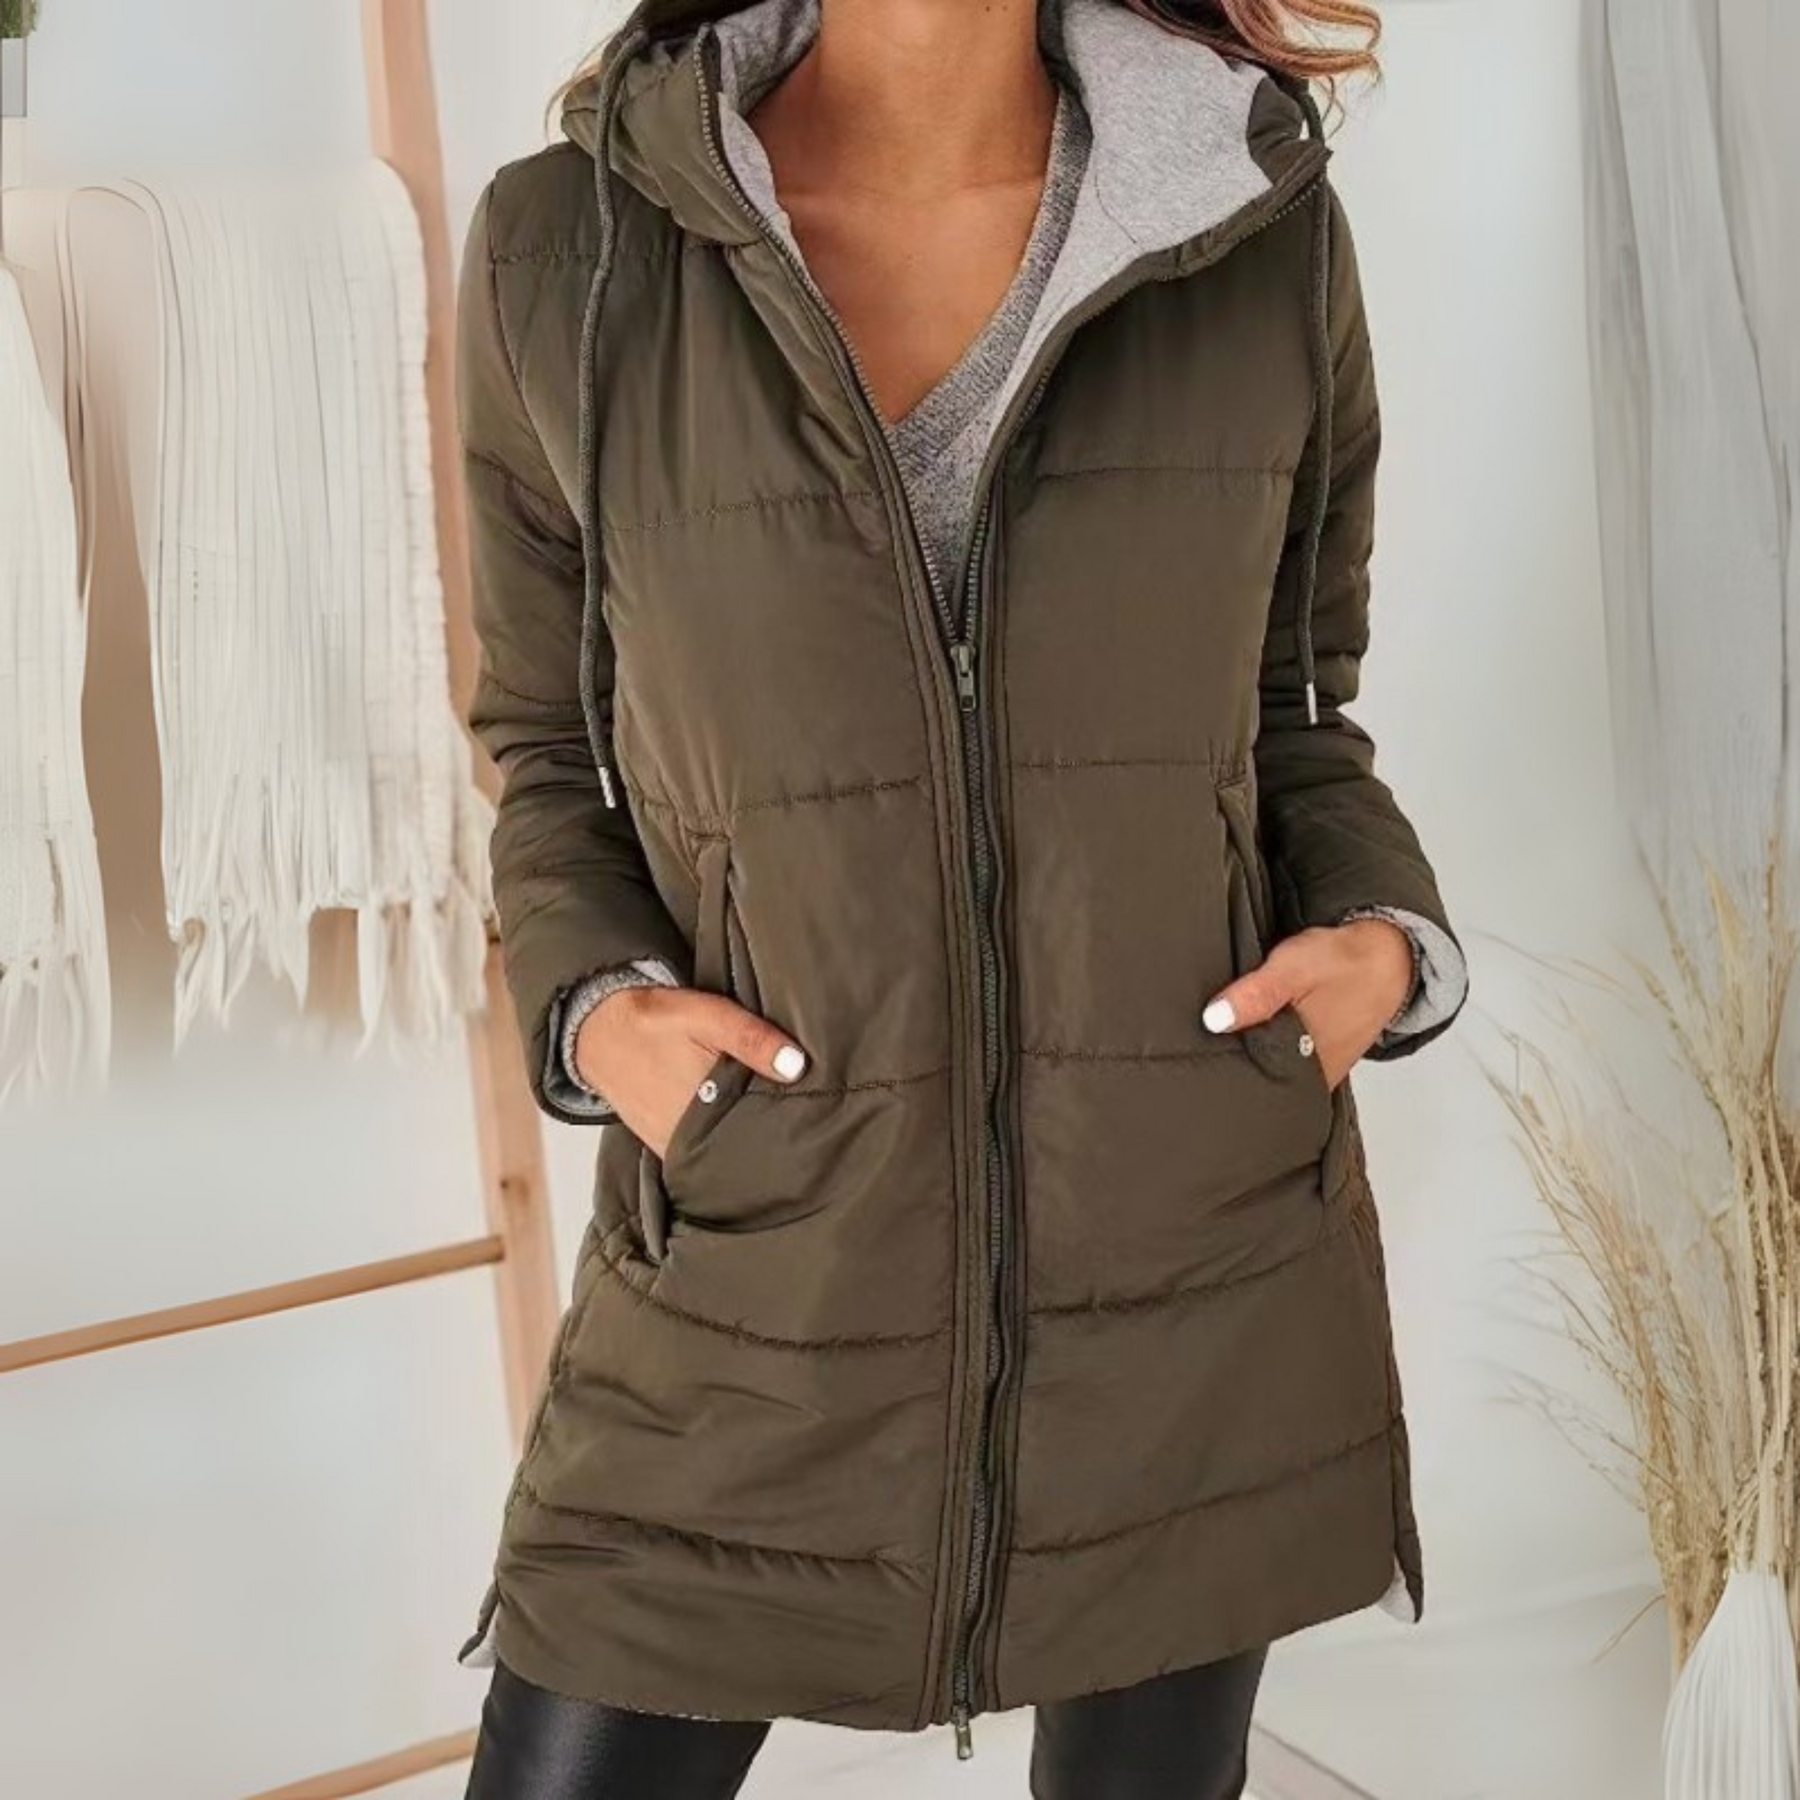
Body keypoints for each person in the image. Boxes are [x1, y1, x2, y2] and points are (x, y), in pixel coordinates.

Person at [454, 0, 1467, 1792]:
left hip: (1188, 1270)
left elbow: (1294, 709)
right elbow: (547, 743)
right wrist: (598, 1013)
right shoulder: (573, 247)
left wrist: (1389, 945)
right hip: (759, 1261)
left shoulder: (1246, 222)